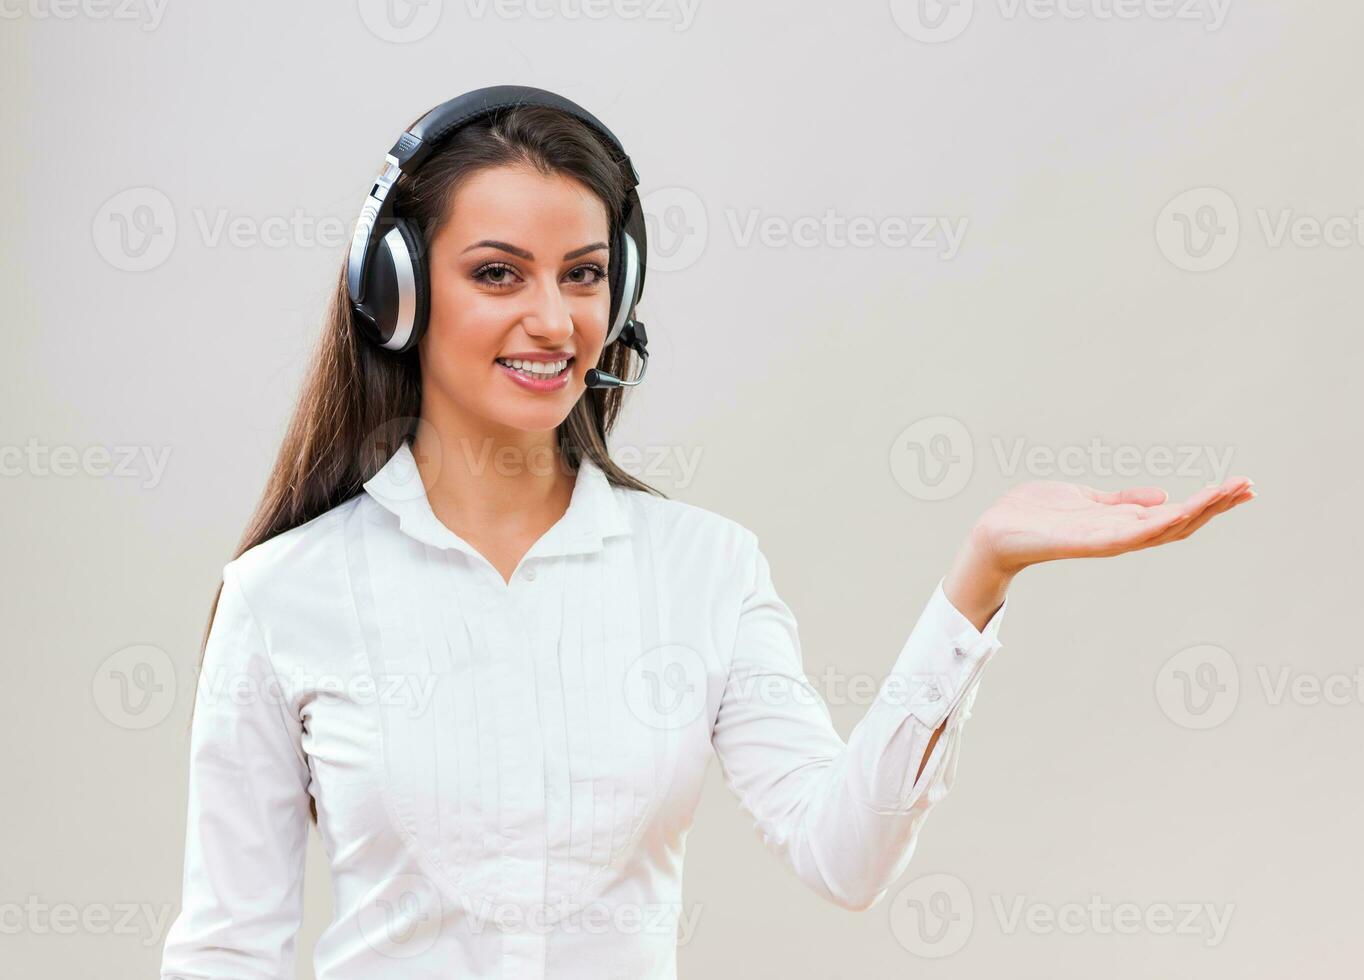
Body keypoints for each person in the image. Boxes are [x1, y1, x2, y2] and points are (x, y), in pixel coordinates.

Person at [158, 86, 1254, 979]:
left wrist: (980, 576)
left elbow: (845, 852)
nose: (553, 320)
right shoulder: (282, 594)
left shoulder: (703, 569)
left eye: (583, 275)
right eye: (498, 273)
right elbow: (225, 948)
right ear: (399, 294)